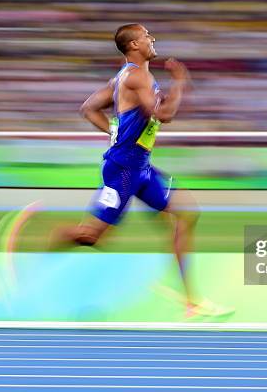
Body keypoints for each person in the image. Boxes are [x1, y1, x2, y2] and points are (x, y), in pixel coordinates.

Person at [50, 24, 230, 318]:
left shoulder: (123, 78)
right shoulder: (137, 77)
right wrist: (180, 82)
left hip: (141, 168)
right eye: (147, 36)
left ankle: (191, 302)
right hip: (122, 172)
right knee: (90, 237)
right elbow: (164, 115)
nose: (152, 39)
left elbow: (88, 108)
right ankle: (41, 251)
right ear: (134, 44)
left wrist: (114, 132)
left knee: (187, 212)